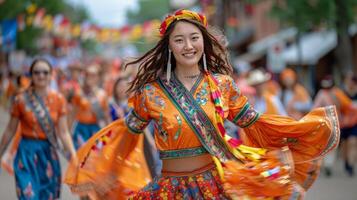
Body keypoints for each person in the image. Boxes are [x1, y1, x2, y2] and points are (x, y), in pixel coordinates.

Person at [65, 10, 339, 199]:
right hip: (169, 189)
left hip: (216, 185)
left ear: (203, 42)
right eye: (179, 40)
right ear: (169, 46)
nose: (188, 46)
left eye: (194, 38)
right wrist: (108, 171)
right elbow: (127, 136)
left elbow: (255, 124)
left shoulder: (222, 84)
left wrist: (299, 132)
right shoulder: (149, 94)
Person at [0, 58, 77, 199]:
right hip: (26, 153)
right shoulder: (20, 99)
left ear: (50, 75)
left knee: (47, 195)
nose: (41, 76)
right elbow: (10, 130)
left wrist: (73, 155)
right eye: (37, 72)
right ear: (31, 75)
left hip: (48, 154)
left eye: (45, 72)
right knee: (28, 195)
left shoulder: (59, 99)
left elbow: (64, 132)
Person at [313, 75, 357, 177]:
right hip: (324, 122)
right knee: (327, 144)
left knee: (333, 145)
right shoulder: (321, 94)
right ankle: (326, 164)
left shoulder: (337, 93)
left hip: (337, 122)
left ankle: (330, 164)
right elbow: (315, 107)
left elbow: (346, 105)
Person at [70, 64, 111, 150]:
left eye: (93, 75)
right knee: (81, 159)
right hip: (81, 130)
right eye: (87, 74)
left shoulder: (103, 95)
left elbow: (106, 117)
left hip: (95, 129)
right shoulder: (79, 93)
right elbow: (72, 115)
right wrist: (68, 135)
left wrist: (109, 135)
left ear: (98, 77)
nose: (89, 77)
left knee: (94, 158)